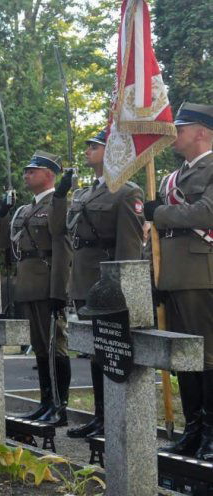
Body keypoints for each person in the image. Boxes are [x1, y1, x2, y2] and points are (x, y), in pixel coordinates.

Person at [56, 129, 145, 439]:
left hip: (105, 284)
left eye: (94, 146)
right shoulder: (82, 193)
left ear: (111, 152)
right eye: (88, 146)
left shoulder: (126, 191)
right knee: (96, 351)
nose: (87, 151)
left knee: (111, 348)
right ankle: (100, 415)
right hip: (82, 279)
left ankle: (115, 417)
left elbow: (130, 248)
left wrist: (121, 288)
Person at [145, 102, 213, 459]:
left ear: (201, 132)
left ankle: (212, 434)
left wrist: (162, 213)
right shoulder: (174, 176)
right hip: (173, 274)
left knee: (208, 356)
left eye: (181, 128)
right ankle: (194, 428)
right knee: (185, 358)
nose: (175, 135)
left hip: (201, 273)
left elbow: (206, 212)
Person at [0, 151, 72, 426]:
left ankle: (59, 407)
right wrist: (3, 214)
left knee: (55, 347)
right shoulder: (24, 210)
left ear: (49, 174)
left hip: (47, 282)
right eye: (26, 171)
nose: (27, 174)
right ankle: (45, 402)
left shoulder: (58, 203)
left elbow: (62, 249)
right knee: (40, 347)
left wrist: (58, 292)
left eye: (33, 171)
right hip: (27, 284)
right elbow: (5, 243)